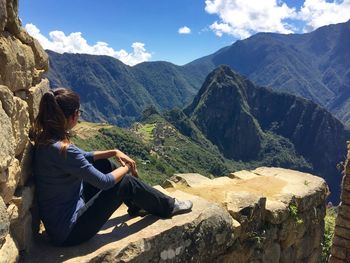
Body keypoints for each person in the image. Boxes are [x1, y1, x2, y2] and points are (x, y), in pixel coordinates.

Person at [32, 88, 193, 246]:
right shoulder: (63, 149)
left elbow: (84, 156)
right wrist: (127, 168)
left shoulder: (48, 139)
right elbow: (105, 182)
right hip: (70, 232)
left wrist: (113, 152)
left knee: (103, 163)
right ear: (73, 116)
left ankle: (137, 206)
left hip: (63, 217)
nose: (80, 115)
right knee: (126, 182)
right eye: (79, 112)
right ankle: (168, 206)